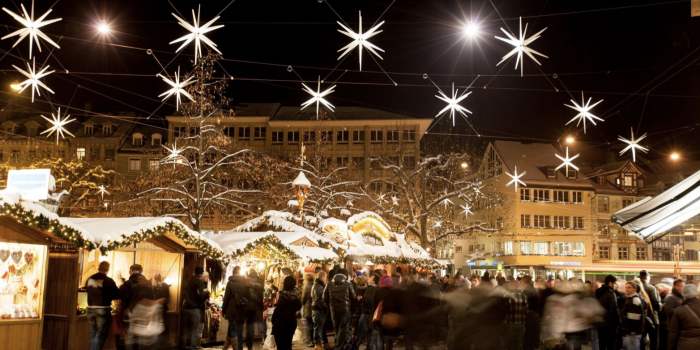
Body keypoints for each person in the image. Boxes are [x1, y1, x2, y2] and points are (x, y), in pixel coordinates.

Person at [86, 261, 119, 350]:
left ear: (99, 268)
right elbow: (116, 295)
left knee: (93, 334)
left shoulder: (90, 279)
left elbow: (87, 291)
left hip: (90, 309)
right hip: (103, 309)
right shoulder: (109, 281)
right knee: (100, 335)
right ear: (107, 269)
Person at [116, 264, 149, 350]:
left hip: (129, 313)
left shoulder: (127, 284)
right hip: (143, 314)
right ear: (141, 271)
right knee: (139, 338)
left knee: (126, 336)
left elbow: (120, 296)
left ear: (130, 271)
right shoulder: (148, 284)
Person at [323, 268, 356, 350]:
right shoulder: (348, 284)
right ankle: (340, 346)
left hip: (333, 310)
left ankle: (338, 343)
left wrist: (330, 304)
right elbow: (353, 297)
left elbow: (324, 297)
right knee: (344, 328)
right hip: (345, 309)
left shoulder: (329, 284)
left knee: (336, 327)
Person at [181, 267, 210, 350]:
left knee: (186, 328)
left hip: (185, 307)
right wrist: (207, 293)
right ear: (201, 274)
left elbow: (185, 293)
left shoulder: (188, 281)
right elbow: (201, 295)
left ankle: (184, 345)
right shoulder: (199, 282)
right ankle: (192, 346)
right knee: (194, 328)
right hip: (194, 308)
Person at [272, 276, 302, 350]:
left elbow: (278, 310)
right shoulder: (297, 296)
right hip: (291, 322)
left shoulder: (282, 295)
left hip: (280, 323)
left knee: (281, 346)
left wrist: (273, 320)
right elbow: (298, 307)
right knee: (288, 344)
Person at [667, 284, 700, 350]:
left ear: (684, 294)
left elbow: (673, 333)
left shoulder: (679, 310)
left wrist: (671, 347)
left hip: (686, 344)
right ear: (696, 293)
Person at [596, 275, 622, 350]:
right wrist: (618, 322)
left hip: (600, 323)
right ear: (610, 283)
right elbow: (614, 309)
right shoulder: (610, 293)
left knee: (602, 344)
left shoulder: (598, 291)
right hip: (610, 324)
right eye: (615, 283)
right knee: (611, 344)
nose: (615, 285)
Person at [621, 281, 646, 350]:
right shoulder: (630, 298)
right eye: (626, 287)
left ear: (634, 289)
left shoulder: (635, 299)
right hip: (630, 331)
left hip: (633, 332)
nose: (626, 289)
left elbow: (635, 317)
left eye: (629, 287)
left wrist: (632, 331)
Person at [661, 279, 685, 350]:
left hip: (680, 327)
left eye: (683, 286)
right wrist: (683, 311)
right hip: (672, 327)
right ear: (674, 286)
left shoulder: (681, 297)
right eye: (679, 286)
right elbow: (669, 311)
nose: (681, 288)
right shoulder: (670, 298)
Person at [640, 270, 661, 350]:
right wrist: (661, 306)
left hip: (641, 318)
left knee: (642, 339)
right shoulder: (651, 288)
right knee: (654, 340)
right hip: (652, 318)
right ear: (647, 277)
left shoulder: (636, 286)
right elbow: (655, 303)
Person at [311, 271, 329, 350]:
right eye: (325, 277)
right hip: (318, 310)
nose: (326, 279)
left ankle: (320, 344)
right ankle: (317, 345)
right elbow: (321, 300)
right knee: (318, 328)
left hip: (318, 309)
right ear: (322, 277)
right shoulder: (319, 287)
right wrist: (326, 307)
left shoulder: (317, 285)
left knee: (319, 328)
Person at [301, 273, 315, 347]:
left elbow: (303, 298)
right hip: (314, 308)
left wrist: (301, 304)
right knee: (312, 325)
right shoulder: (314, 285)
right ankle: (313, 340)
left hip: (308, 308)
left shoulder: (306, 287)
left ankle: (309, 341)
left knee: (308, 325)